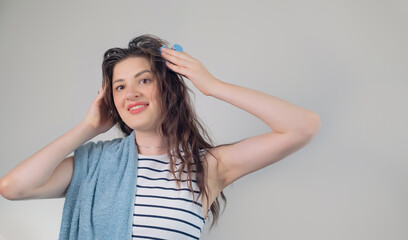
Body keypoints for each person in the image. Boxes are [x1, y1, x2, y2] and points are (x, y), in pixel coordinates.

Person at [0, 34, 321, 239]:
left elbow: (302, 126)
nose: (131, 93)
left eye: (144, 80)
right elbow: (13, 187)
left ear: (168, 89)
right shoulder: (92, 165)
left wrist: (212, 86)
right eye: (120, 86)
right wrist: (87, 128)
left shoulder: (208, 166)